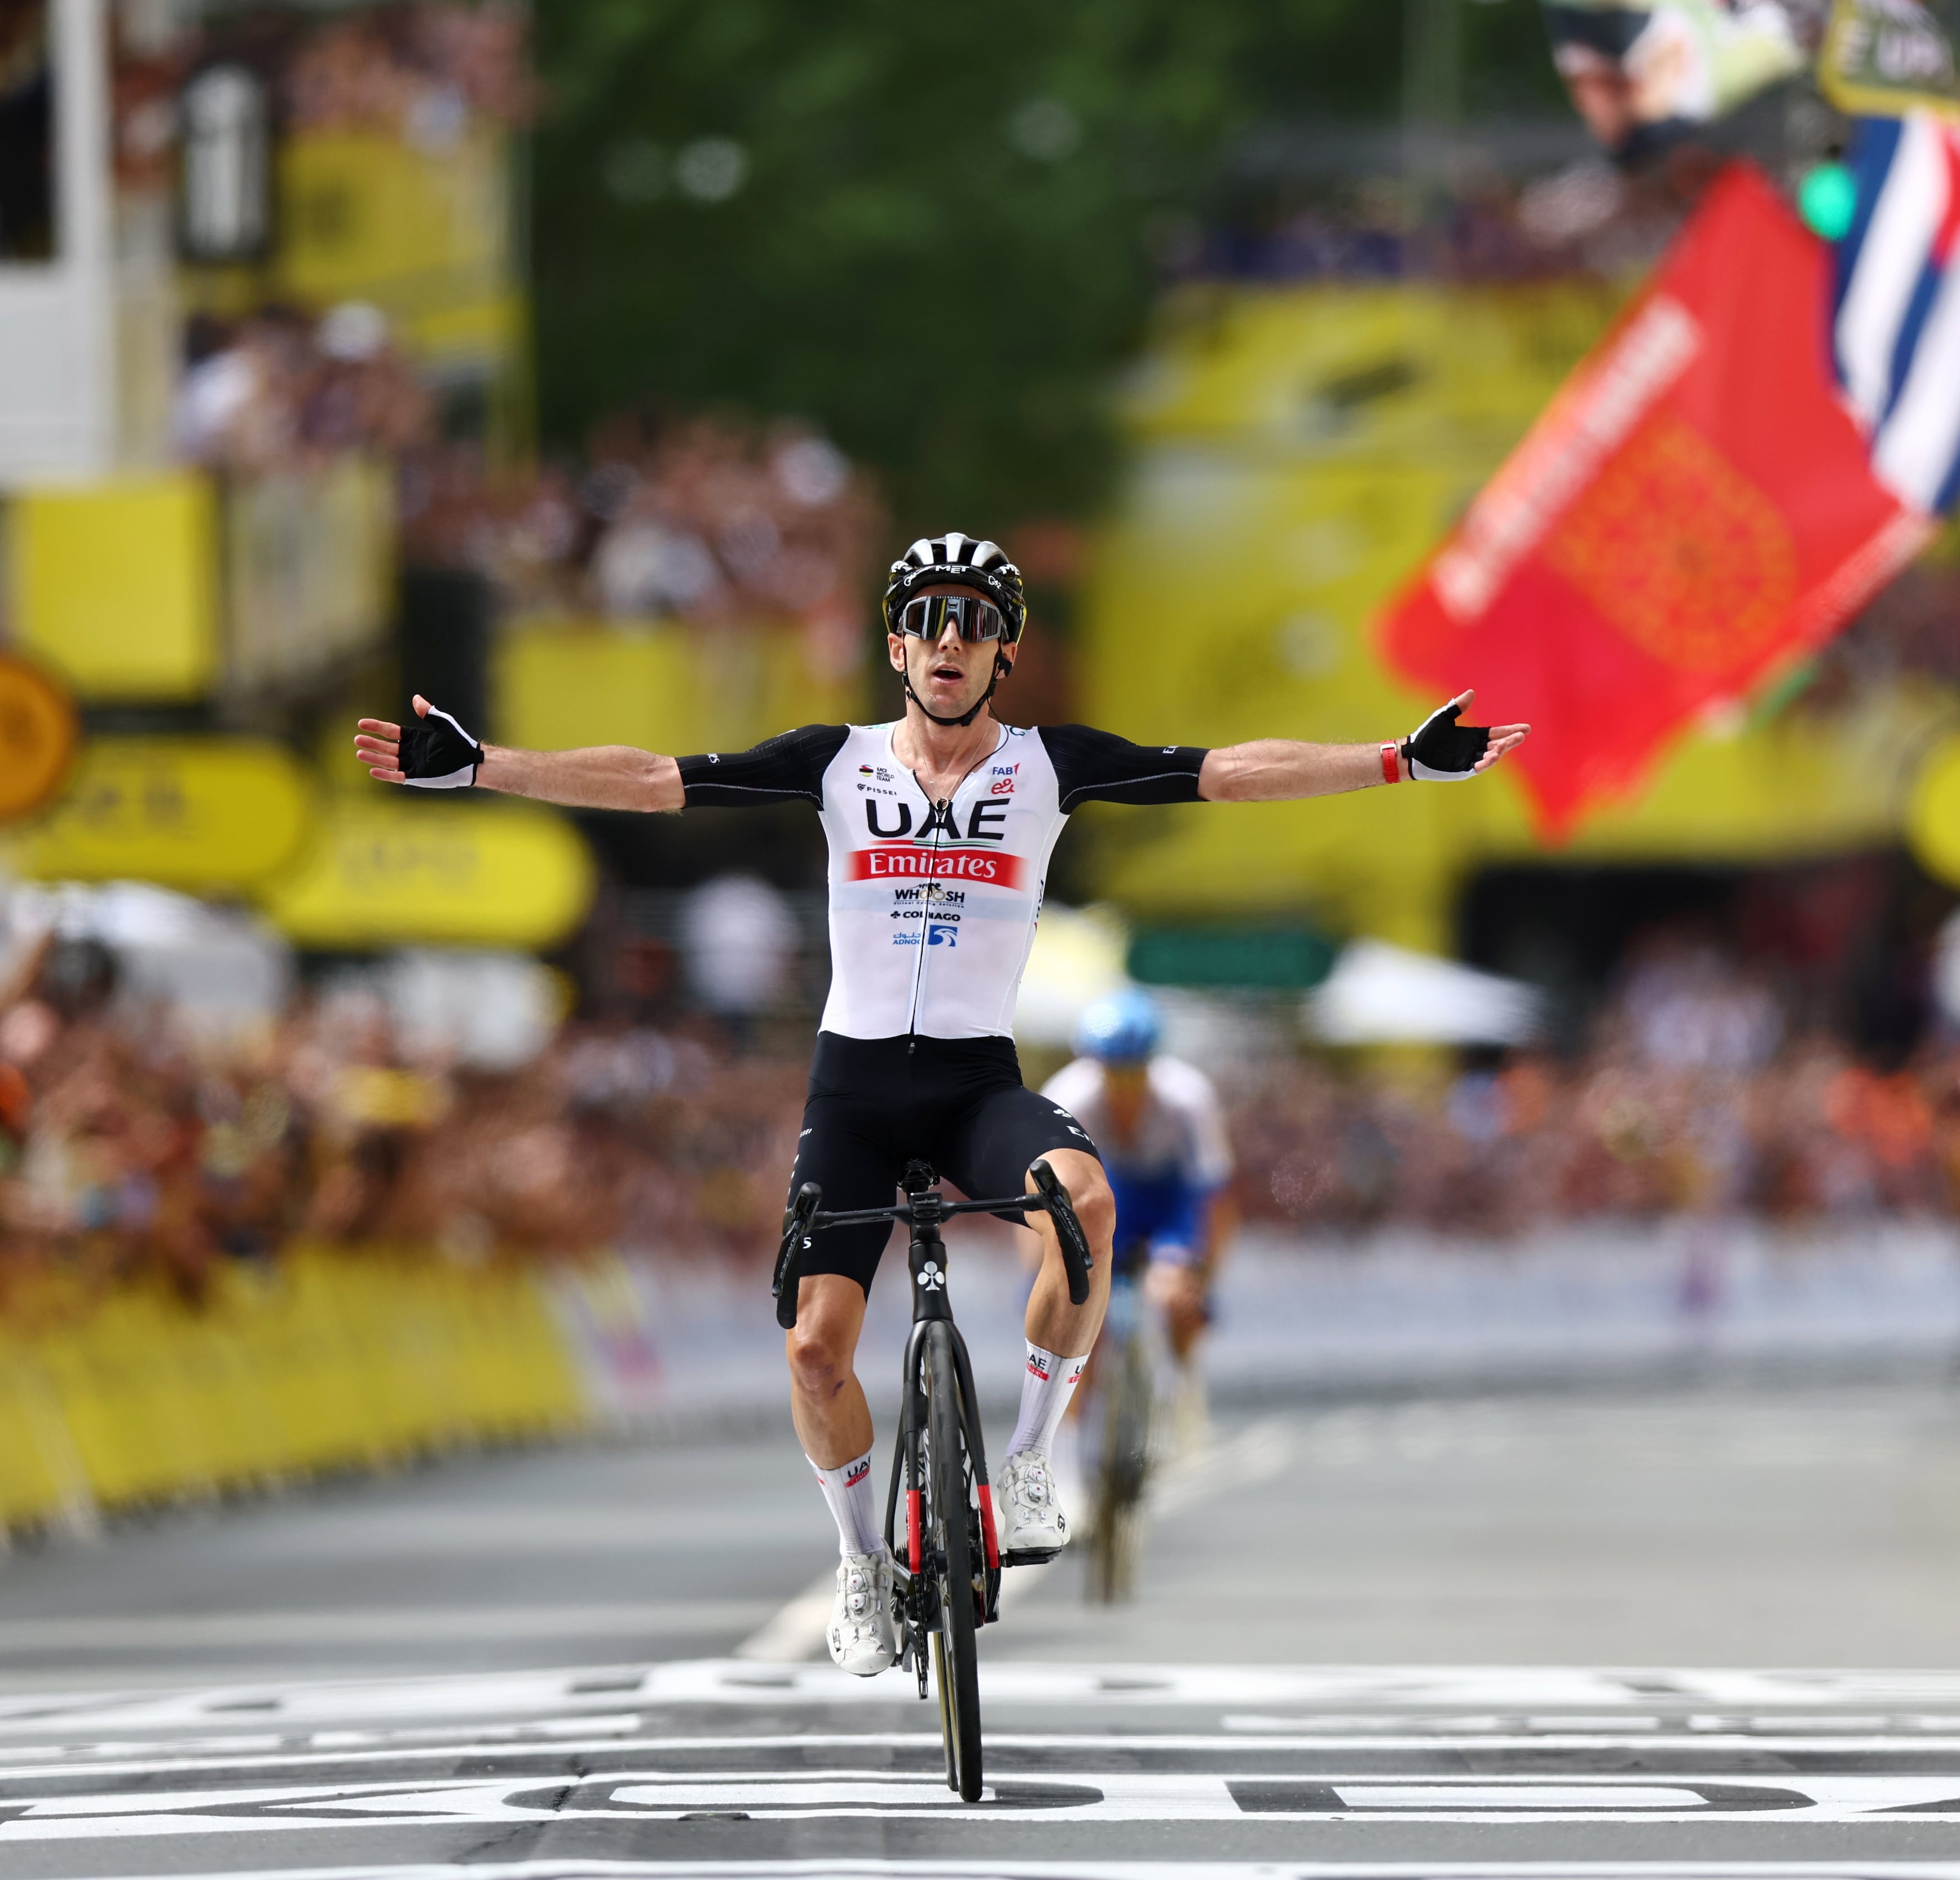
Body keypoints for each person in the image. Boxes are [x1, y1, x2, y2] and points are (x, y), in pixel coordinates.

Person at [354, 531, 1527, 1676]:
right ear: (895, 646)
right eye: (926, 620)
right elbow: (658, 781)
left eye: (973, 623)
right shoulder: (834, 759)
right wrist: (481, 765)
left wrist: (1395, 759)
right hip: (855, 1091)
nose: (949, 640)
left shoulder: (1047, 766)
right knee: (815, 1351)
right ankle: (861, 1564)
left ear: (1003, 653)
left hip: (975, 1084)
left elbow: (1220, 770)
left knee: (1086, 1204)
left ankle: (1025, 1467)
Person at [1043, 989, 1234, 1398]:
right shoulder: (1068, 1098)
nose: (1124, 1085)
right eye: (1114, 1072)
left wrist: (1203, 1278)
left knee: (1173, 1294)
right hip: (1109, 1193)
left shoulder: (1189, 1097)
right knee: (1080, 1316)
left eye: (1135, 1072)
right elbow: (1045, 1201)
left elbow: (1214, 1198)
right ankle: (1078, 1437)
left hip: (1172, 1200)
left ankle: (1179, 1386)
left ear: (1152, 1064)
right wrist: (1043, 1275)